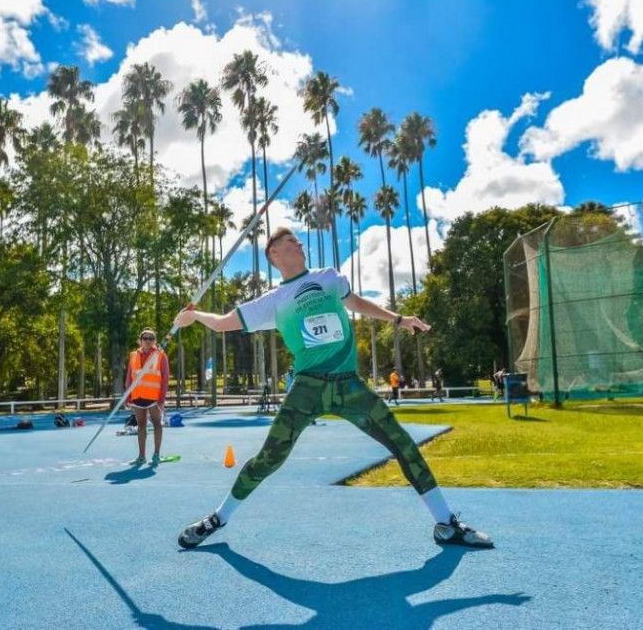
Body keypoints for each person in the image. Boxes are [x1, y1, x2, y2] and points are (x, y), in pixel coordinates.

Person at [174, 227, 493, 549]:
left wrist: (399, 319)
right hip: (307, 388)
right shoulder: (273, 301)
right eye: (290, 242)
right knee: (269, 458)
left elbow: (356, 303)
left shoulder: (328, 278)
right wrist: (194, 316)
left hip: (348, 385)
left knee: (403, 445)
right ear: (275, 255)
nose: (299, 243)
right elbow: (222, 322)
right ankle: (218, 518)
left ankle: (446, 524)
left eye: (298, 240)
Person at [125, 327, 170, 466]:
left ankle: (156, 455)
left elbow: (165, 378)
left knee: (157, 424)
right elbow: (129, 377)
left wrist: (162, 399)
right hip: (137, 396)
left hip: (154, 397)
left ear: (155, 341)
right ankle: (141, 456)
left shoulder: (160, 355)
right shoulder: (133, 356)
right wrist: (127, 396)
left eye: (151, 338)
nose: (148, 341)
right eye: (146, 338)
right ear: (140, 340)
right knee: (141, 425)